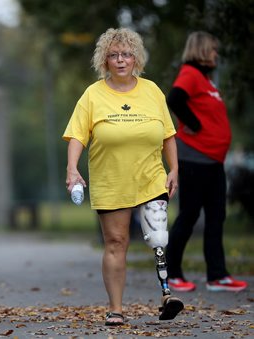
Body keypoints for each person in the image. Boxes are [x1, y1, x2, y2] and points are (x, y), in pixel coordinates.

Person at [63, 27, 184, 326]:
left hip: (150, 176)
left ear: (136, 59)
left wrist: (175, 169)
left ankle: (167, 295)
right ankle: (115, 308)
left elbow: (168, 135)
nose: (120, 60)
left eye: (127, 55)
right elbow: (77, 136)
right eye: (114, 55)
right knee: (116, 242)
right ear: (104, 61)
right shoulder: (93, 95)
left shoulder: (152, 90)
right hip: (111, 179)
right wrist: (72, 168)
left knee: (158, 235)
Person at [165, 31, 247, 293]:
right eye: (212, 49)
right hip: (194, 158)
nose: (216, 54)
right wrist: (194, 124)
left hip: (213, 161)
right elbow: (174, 98)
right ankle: (172, 273)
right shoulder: (190, 72)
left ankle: (217, 275)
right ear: (201, 50)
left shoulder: (206, 80)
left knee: (216, 217)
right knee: (189, 215)